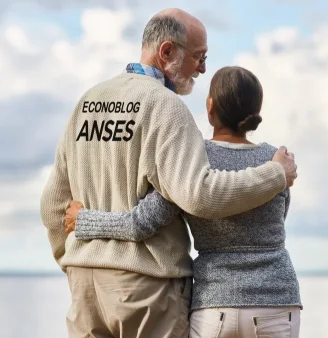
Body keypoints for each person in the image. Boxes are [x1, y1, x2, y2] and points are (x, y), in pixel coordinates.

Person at [40, 8, 298, 338]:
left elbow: (52, 206)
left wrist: (75, 262)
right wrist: (276, 174)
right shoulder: (166, 107)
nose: (203, 69)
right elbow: (199, 195)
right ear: (167, 51)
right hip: (146, 289)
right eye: (198, 57)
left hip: (85, 286)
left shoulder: (87, 102)